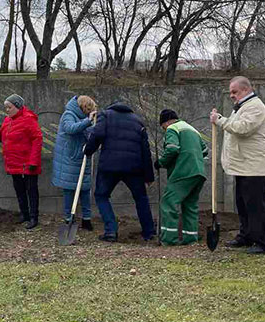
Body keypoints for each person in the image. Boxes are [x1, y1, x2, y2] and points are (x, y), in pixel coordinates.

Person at [210, 76, 265, 254]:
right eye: (231, 92)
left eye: (234, 92)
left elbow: (243, 128)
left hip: (254, 167)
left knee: (255, 206)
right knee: (243, 204)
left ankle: (264, 242)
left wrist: (219, 120)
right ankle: (246, 236)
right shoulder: (242, 107)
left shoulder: (256, 107)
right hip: (243, 165)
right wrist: (221, 118)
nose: (231, 95)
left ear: (246, 90)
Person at [83, 100, 155, 243]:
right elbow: (145, 150)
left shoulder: (106, 115)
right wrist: (149, 175)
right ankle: (149, 231)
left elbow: (97, 135)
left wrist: (88, 150)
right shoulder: (138, 121)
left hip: (110, 165)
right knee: (141, 198)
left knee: (101, 195)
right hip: (133, 167)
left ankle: (111, 231)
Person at [154, 109, 208, 246]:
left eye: (163, 127)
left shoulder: (172, 128)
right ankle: (190, 239)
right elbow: (205, 151)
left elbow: (172, 148)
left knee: (168, 202)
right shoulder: (193, 130)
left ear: (165, 122)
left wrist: (161, 162)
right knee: (190, 205)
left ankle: (169, 240)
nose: (164, 129)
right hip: (199, 172)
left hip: (183, 171)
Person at [0, 94, 43, 229]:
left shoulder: (28, 119)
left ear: (18, 106)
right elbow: (3, 138)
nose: (7, 110)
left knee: (31, 190)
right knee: (19, 189)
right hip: (14, 163)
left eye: (9, 107)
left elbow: (37, 139)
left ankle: (33, 217)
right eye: (6, 108)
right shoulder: (8, 121)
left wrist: (33, 162)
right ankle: (24, 214)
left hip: (28, 163)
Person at [52, 94, 97, 230]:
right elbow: (70, 129)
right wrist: (88, 122)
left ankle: (86, 219)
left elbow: (89, 133)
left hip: (82, 157)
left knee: (85, 189)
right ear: (84, 107)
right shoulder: (69, 114)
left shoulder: (85, 118)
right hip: (69, 159)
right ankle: (68, 218)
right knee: (69, 190)